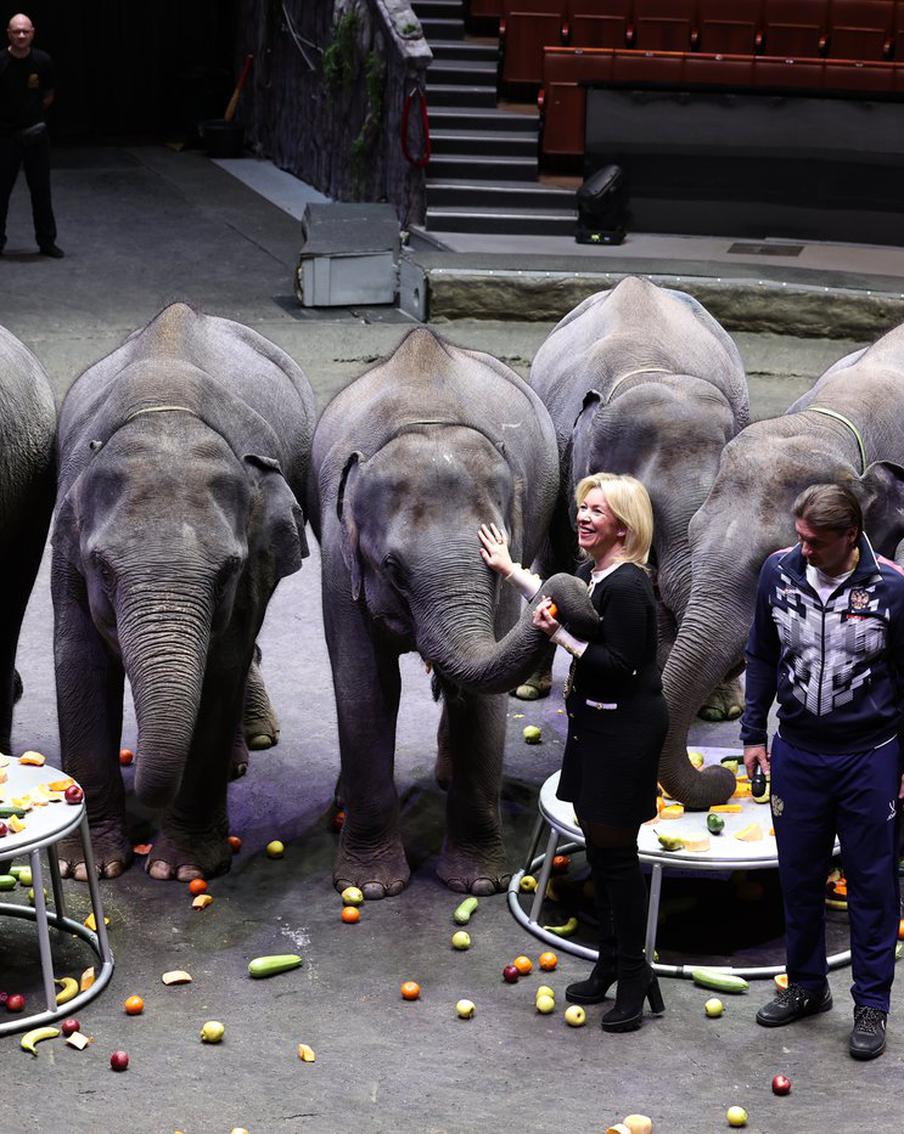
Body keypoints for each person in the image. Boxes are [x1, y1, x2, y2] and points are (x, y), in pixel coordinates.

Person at [479, 472, 668, 1033]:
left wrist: (559, 638)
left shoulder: (629, 586)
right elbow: (563, 602)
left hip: (624, 734)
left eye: (597, 511)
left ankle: (636, 972)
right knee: (602, 852)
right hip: (597, 731)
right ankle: (614, 962)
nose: (583, 517)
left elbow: (617, 669)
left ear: (624, 526)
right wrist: (513, 572)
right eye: (582, 508)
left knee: (617, 858)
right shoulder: (598, 575)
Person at [741, 482, 904, 1061]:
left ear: (849, 537)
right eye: (800, 537)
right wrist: (753, 734)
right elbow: (761, 653)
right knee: (798, 878)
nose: (802, 549)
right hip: (798, 754)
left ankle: (872, 1006)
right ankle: (808, 986)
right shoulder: (778, 573)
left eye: (815, 542)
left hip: (869, 757)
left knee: (871, 885)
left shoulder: (891, 588)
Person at [0, 12, 63, 258]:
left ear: (33, 32)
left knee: (41, 191)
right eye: (17, 31)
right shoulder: (1, 62)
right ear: (9, 34)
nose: (21, 35)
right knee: (1, 192)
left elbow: (48, 95)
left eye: (25, 31)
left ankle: (46, 242)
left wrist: (31, 115)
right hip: (5, 137)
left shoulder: (42, 61)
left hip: (36, 135)